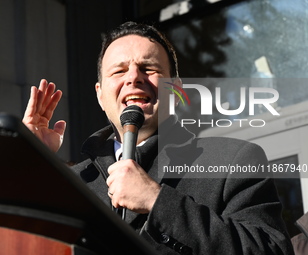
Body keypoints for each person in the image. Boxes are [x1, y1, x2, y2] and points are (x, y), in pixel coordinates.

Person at [22, 21, 294, 254]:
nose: (134, 78)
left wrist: (158, 202)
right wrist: (30, 167)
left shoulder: (232, 160)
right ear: (99, 95)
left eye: (149, 68)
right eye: (118, 71)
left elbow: (270, 250)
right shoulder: (74, 184)